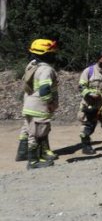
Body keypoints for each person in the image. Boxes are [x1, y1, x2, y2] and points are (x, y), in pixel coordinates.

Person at [19, 39, 59, 170]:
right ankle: (33, 162)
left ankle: (38, 157)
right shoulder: (46, 70)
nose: (54, 55)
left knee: (33, 132)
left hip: (29, 105)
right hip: (39, 107)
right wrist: (50, 103)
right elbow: (44, 90)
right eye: (52, 53)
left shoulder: (32, 65)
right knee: (37, 134)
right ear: (46, 54)